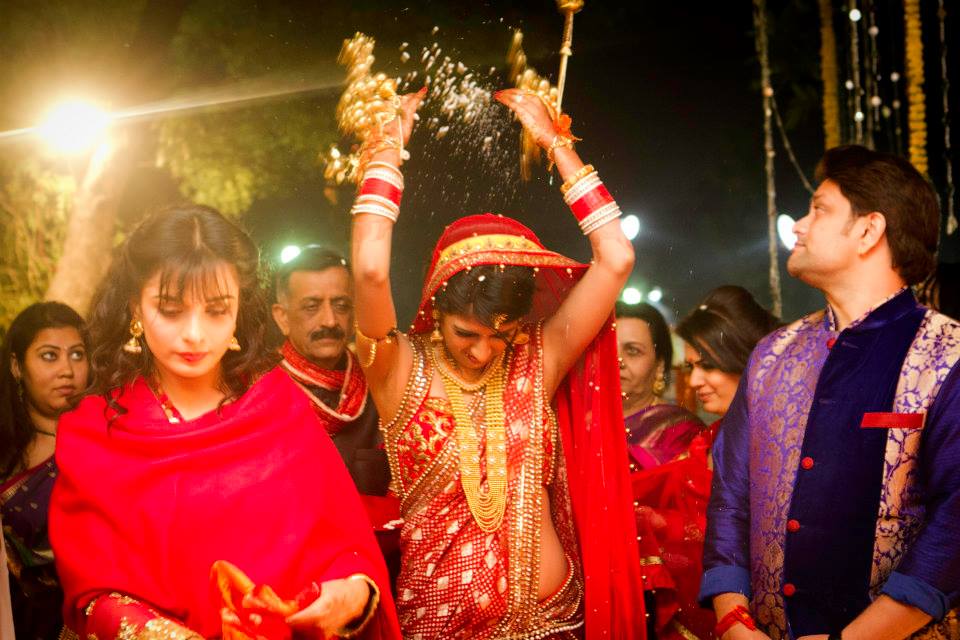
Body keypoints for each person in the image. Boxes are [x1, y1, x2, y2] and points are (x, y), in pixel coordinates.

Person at [349, 87, 645, 638]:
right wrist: (386, 151)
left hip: (556, 622)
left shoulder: (537, 356)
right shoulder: (396, 366)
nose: (482, 351)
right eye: (466, 333)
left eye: (500, 336)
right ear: (436, 308)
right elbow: (369, 270)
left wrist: (558, 145)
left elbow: (617, 257)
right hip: (441, 627)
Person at [49, 205, 400, 640]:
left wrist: (351, 592)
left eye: (216, 310)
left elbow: (345, 546)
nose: (195, 334)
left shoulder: (277, 405)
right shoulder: (95, 432)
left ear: (239, 308)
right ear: (135, 306)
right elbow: (93, 593)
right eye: (171, 310)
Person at [700, 145, 960, 640]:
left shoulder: (947, 355)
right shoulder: (772, 355)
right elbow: (730, 497)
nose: (798, 226)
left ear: (868, 231)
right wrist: (732, 616)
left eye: (819, 209)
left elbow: (956, 520)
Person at [630, 286, 779, 640]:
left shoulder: (782, 442)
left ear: (745, 357)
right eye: (691, 367)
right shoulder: (709, 440)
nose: (695, 381)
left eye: (707, 366)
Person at [272, 246, 390, 498]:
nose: (329, 321)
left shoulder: (380, 386)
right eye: (311, 307)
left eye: (341, 305)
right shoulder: (258, 392)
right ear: (282, 318)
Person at [1, 302, 88, 640]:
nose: (67, 370)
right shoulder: (6, 456)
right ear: (16, 366)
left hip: (111, 617)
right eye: (49, 356)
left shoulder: (113, 436)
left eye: (77, 354)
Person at [617, 301, 704, 472]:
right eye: (606, 350)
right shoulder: (574, 423)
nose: (617, 361)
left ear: (659, 365)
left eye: (633, 351)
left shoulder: (681, 431)